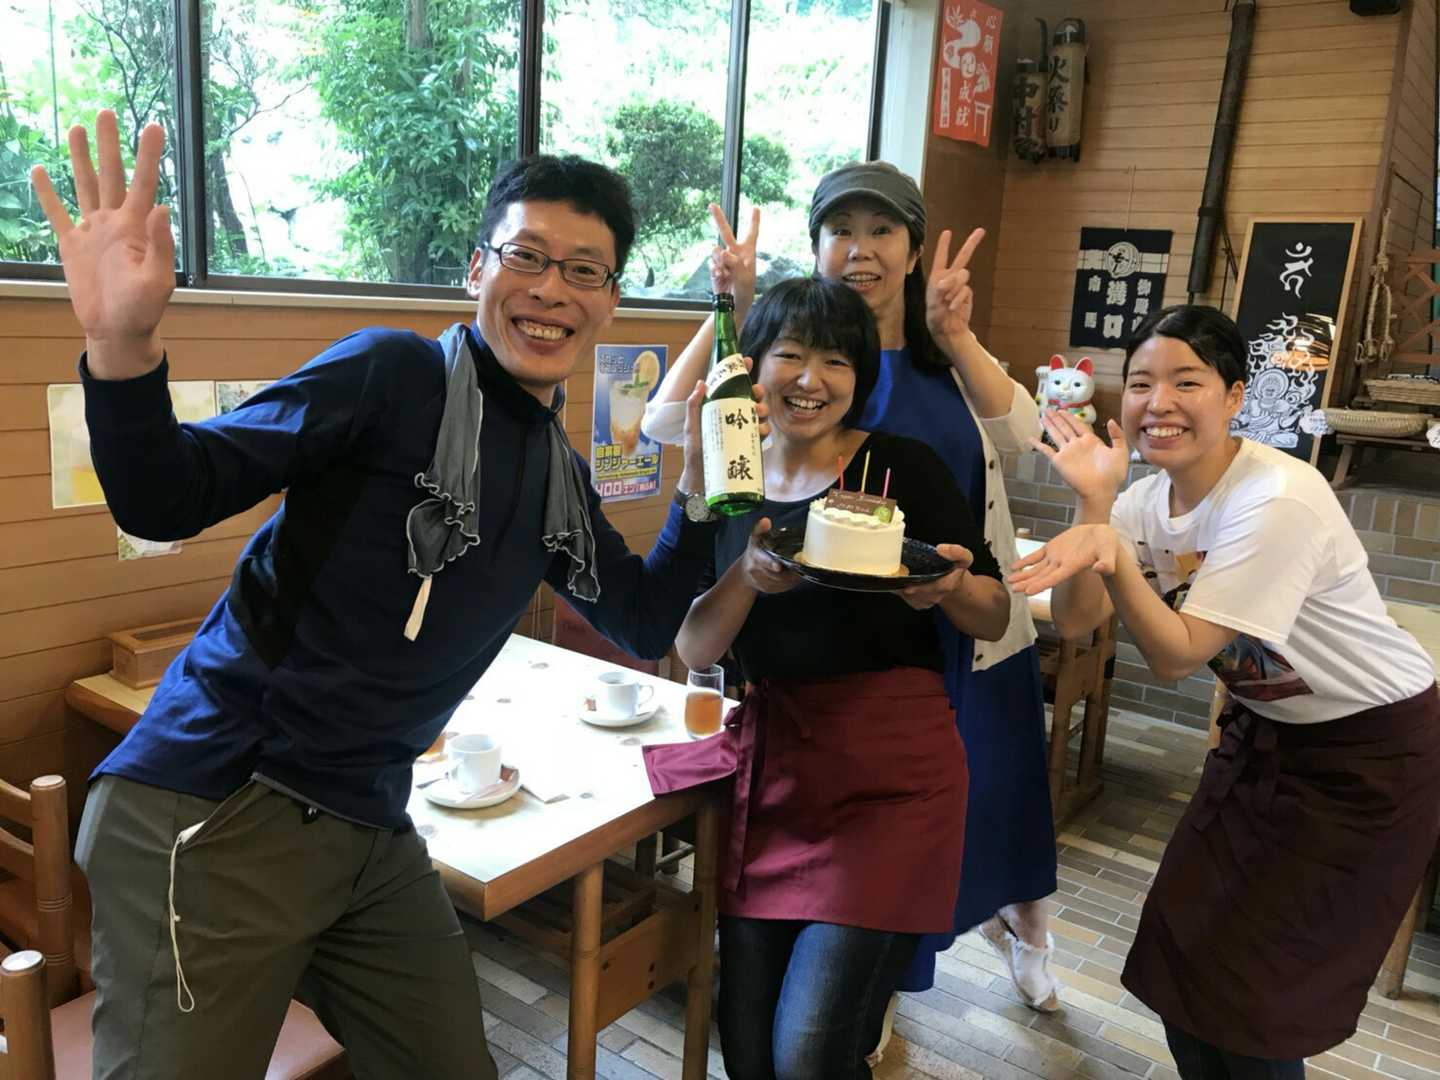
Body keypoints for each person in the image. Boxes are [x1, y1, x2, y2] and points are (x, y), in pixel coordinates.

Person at [30, 111, 759, 1079]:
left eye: (585, 270)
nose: (552, 289)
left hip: (369, 823)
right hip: (222, 804)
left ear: (611, 300)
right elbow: (167, 496)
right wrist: (120, 345)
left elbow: (642, 616)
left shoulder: (554, 474)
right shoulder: (391, 375)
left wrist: (704, 490)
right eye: (527, 256)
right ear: (475, 269)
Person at [642, 162, 1061, 1024]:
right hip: (778, 748)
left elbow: (1024, 440)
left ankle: (882, 1008)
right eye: (842, 231)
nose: (861, 249)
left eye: (882, 231)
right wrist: (728, 306)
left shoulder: (924, 404)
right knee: (755, 1037)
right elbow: (692, 632)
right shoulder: (736, 468)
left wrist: (949, 583)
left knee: (824, 1025)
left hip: (904, 717)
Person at [1011, 304, 1440, 1075]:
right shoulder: (1143, 504)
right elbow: (1076, 621)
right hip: (1266, 740)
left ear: (1235, 396)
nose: (1159, 402)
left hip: (1371, 759)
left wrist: (1112, 551)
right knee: (1189, 956)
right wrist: (1095, 508)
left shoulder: (1276, 497)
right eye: (1140, 383)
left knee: (1260, 1001)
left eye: (1187, 382)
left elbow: (1177, 656)